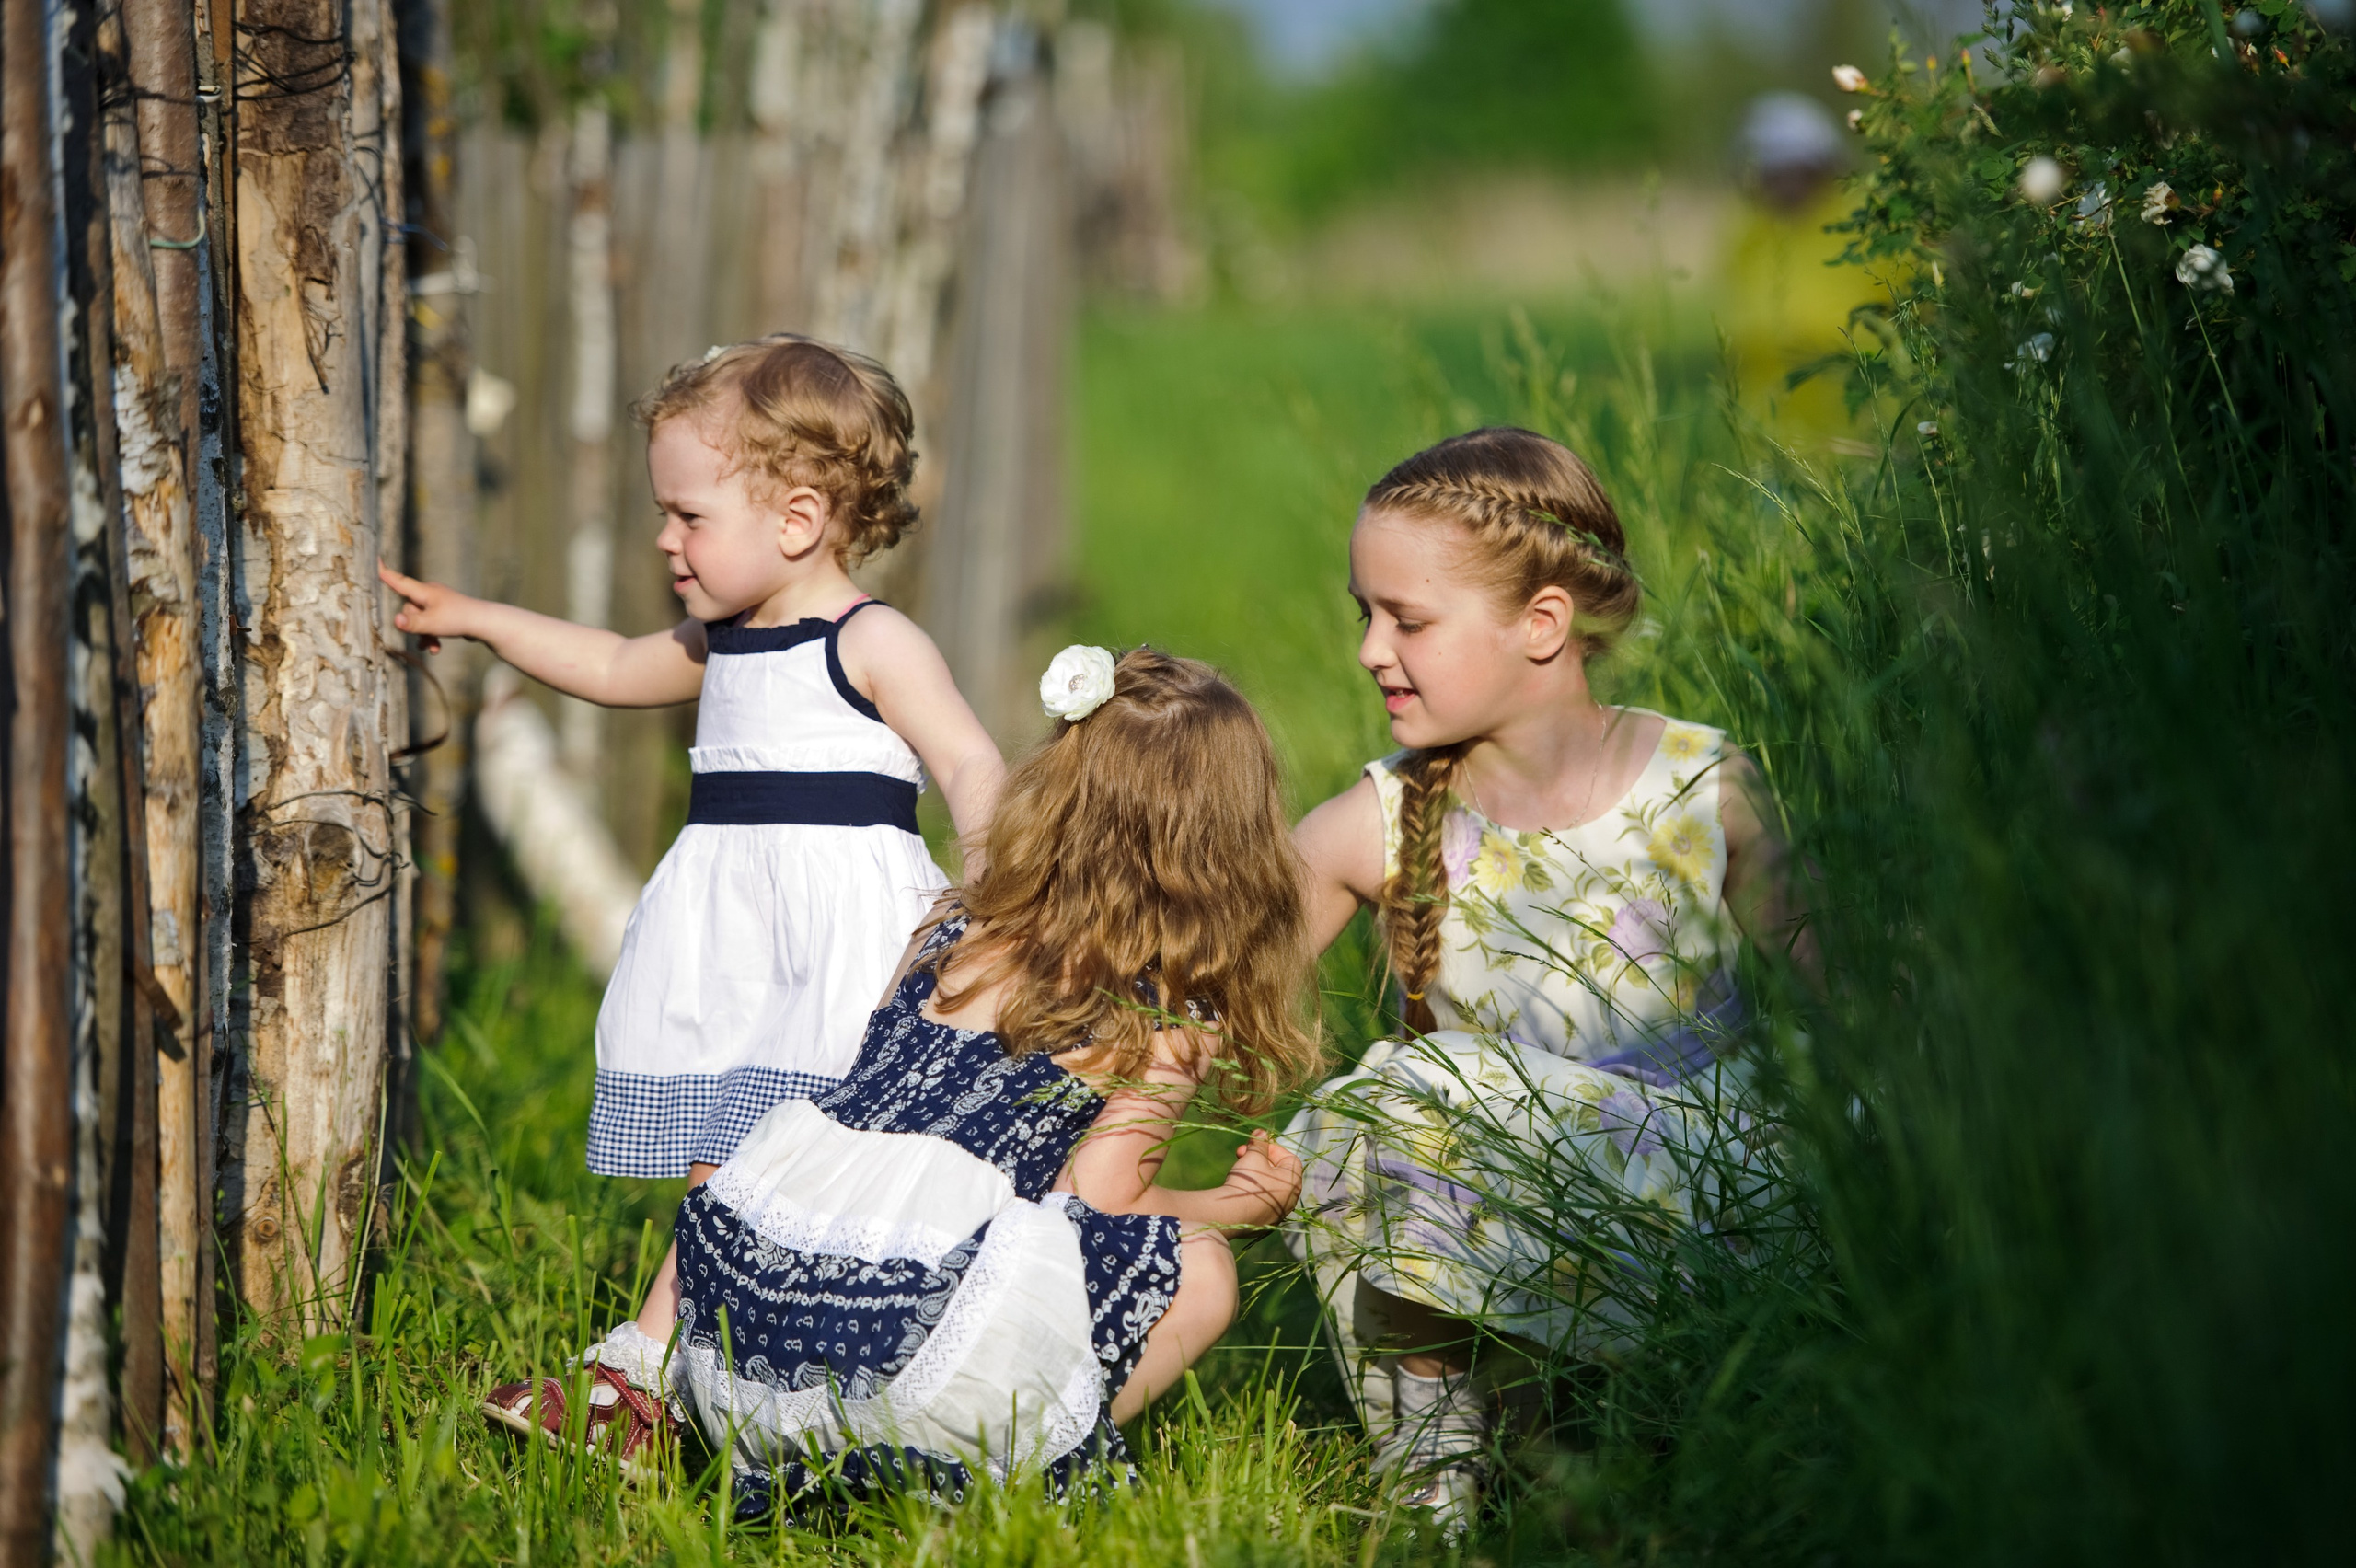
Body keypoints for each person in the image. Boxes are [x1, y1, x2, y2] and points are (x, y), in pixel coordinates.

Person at [491, 647, 1322, 1508]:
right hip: (898, 1369)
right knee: (1199, 1265)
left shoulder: (952, 923)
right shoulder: (1173, 1009)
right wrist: (1235, 1206)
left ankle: (635, 1390)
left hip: (732, 1343)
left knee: (806, 1147)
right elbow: (1098, 1205)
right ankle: (1004, 1486)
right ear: (1229, 847)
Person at [1287, 428, 1812, 1529]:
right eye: (1364, 616)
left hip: (1705, 1206)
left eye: (1408, 620)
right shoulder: (1385, 819)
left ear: (1543, 624)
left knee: (1413, 1088)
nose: (1373, 650)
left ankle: (1635, 1429)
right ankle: (1441, 1481)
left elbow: (1846, 999)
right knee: (1373, 1113)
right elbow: (1208, 973)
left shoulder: (1700, 787)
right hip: (1519, 1225)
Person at [380, 334, 1002, 1183]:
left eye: (690, 517)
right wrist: (482, 618)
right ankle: (686, 1316)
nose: (666, 539)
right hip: (735, 943)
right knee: (721, 1163)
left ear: (797, 520)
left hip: (843, 947)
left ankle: (745, 1310)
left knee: (825, 1162)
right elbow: (605, 665)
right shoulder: (722, 641)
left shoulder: (871, 641)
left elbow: (968, 758)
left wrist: (996, 886)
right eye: (664, 513)